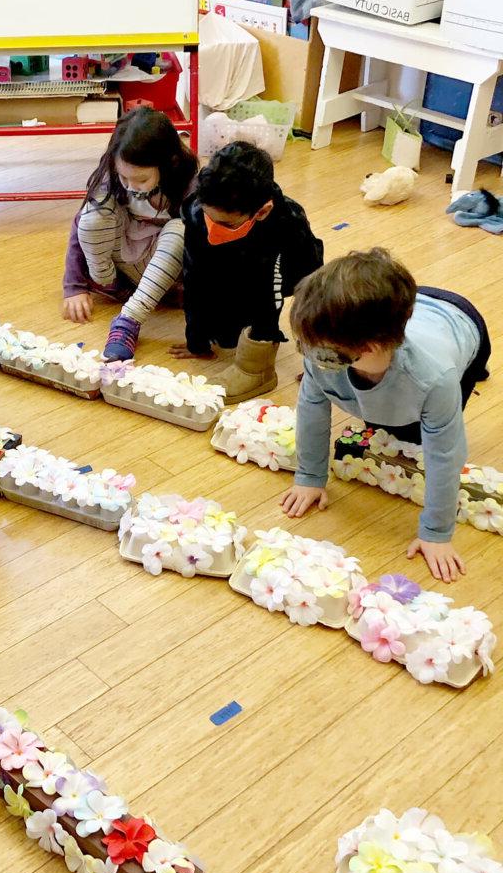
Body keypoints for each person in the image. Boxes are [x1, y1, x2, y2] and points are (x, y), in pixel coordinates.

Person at [281, 248, 492, 583]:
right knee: (382, 426)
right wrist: (309, 476)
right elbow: (312, 406)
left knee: (412, 439)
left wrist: (436, 532)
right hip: (413, 307)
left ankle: (473, 376)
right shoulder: (322, 347)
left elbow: (445, 455)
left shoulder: (434, 379)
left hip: (462, 323)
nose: (313, 359)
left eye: (324, 355)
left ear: (370, 348)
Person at [174, 141, 323, 402]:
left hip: (294, 273)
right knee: (226, 336)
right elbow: (194, 277)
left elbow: (271, 297)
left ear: (262, 212)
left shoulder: (286, 223)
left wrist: (254, 360)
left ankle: (294, 369)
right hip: (235, 261)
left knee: (312, 312)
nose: (212, 230)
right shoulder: (197, 211)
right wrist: (195, 340)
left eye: (225, 224)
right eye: (209, 218)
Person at [62, 107, 198, 361]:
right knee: (92, 215)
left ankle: (129, 318)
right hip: (122, 268)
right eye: (124, 177)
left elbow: (202, 246)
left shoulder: (188, 182)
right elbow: (80, 227)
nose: (131, 186)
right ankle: (113, 286)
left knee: (182, 229)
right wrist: (75, 286)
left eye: (141, 179)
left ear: (170, 163)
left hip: (164, 270)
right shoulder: (111, 176)